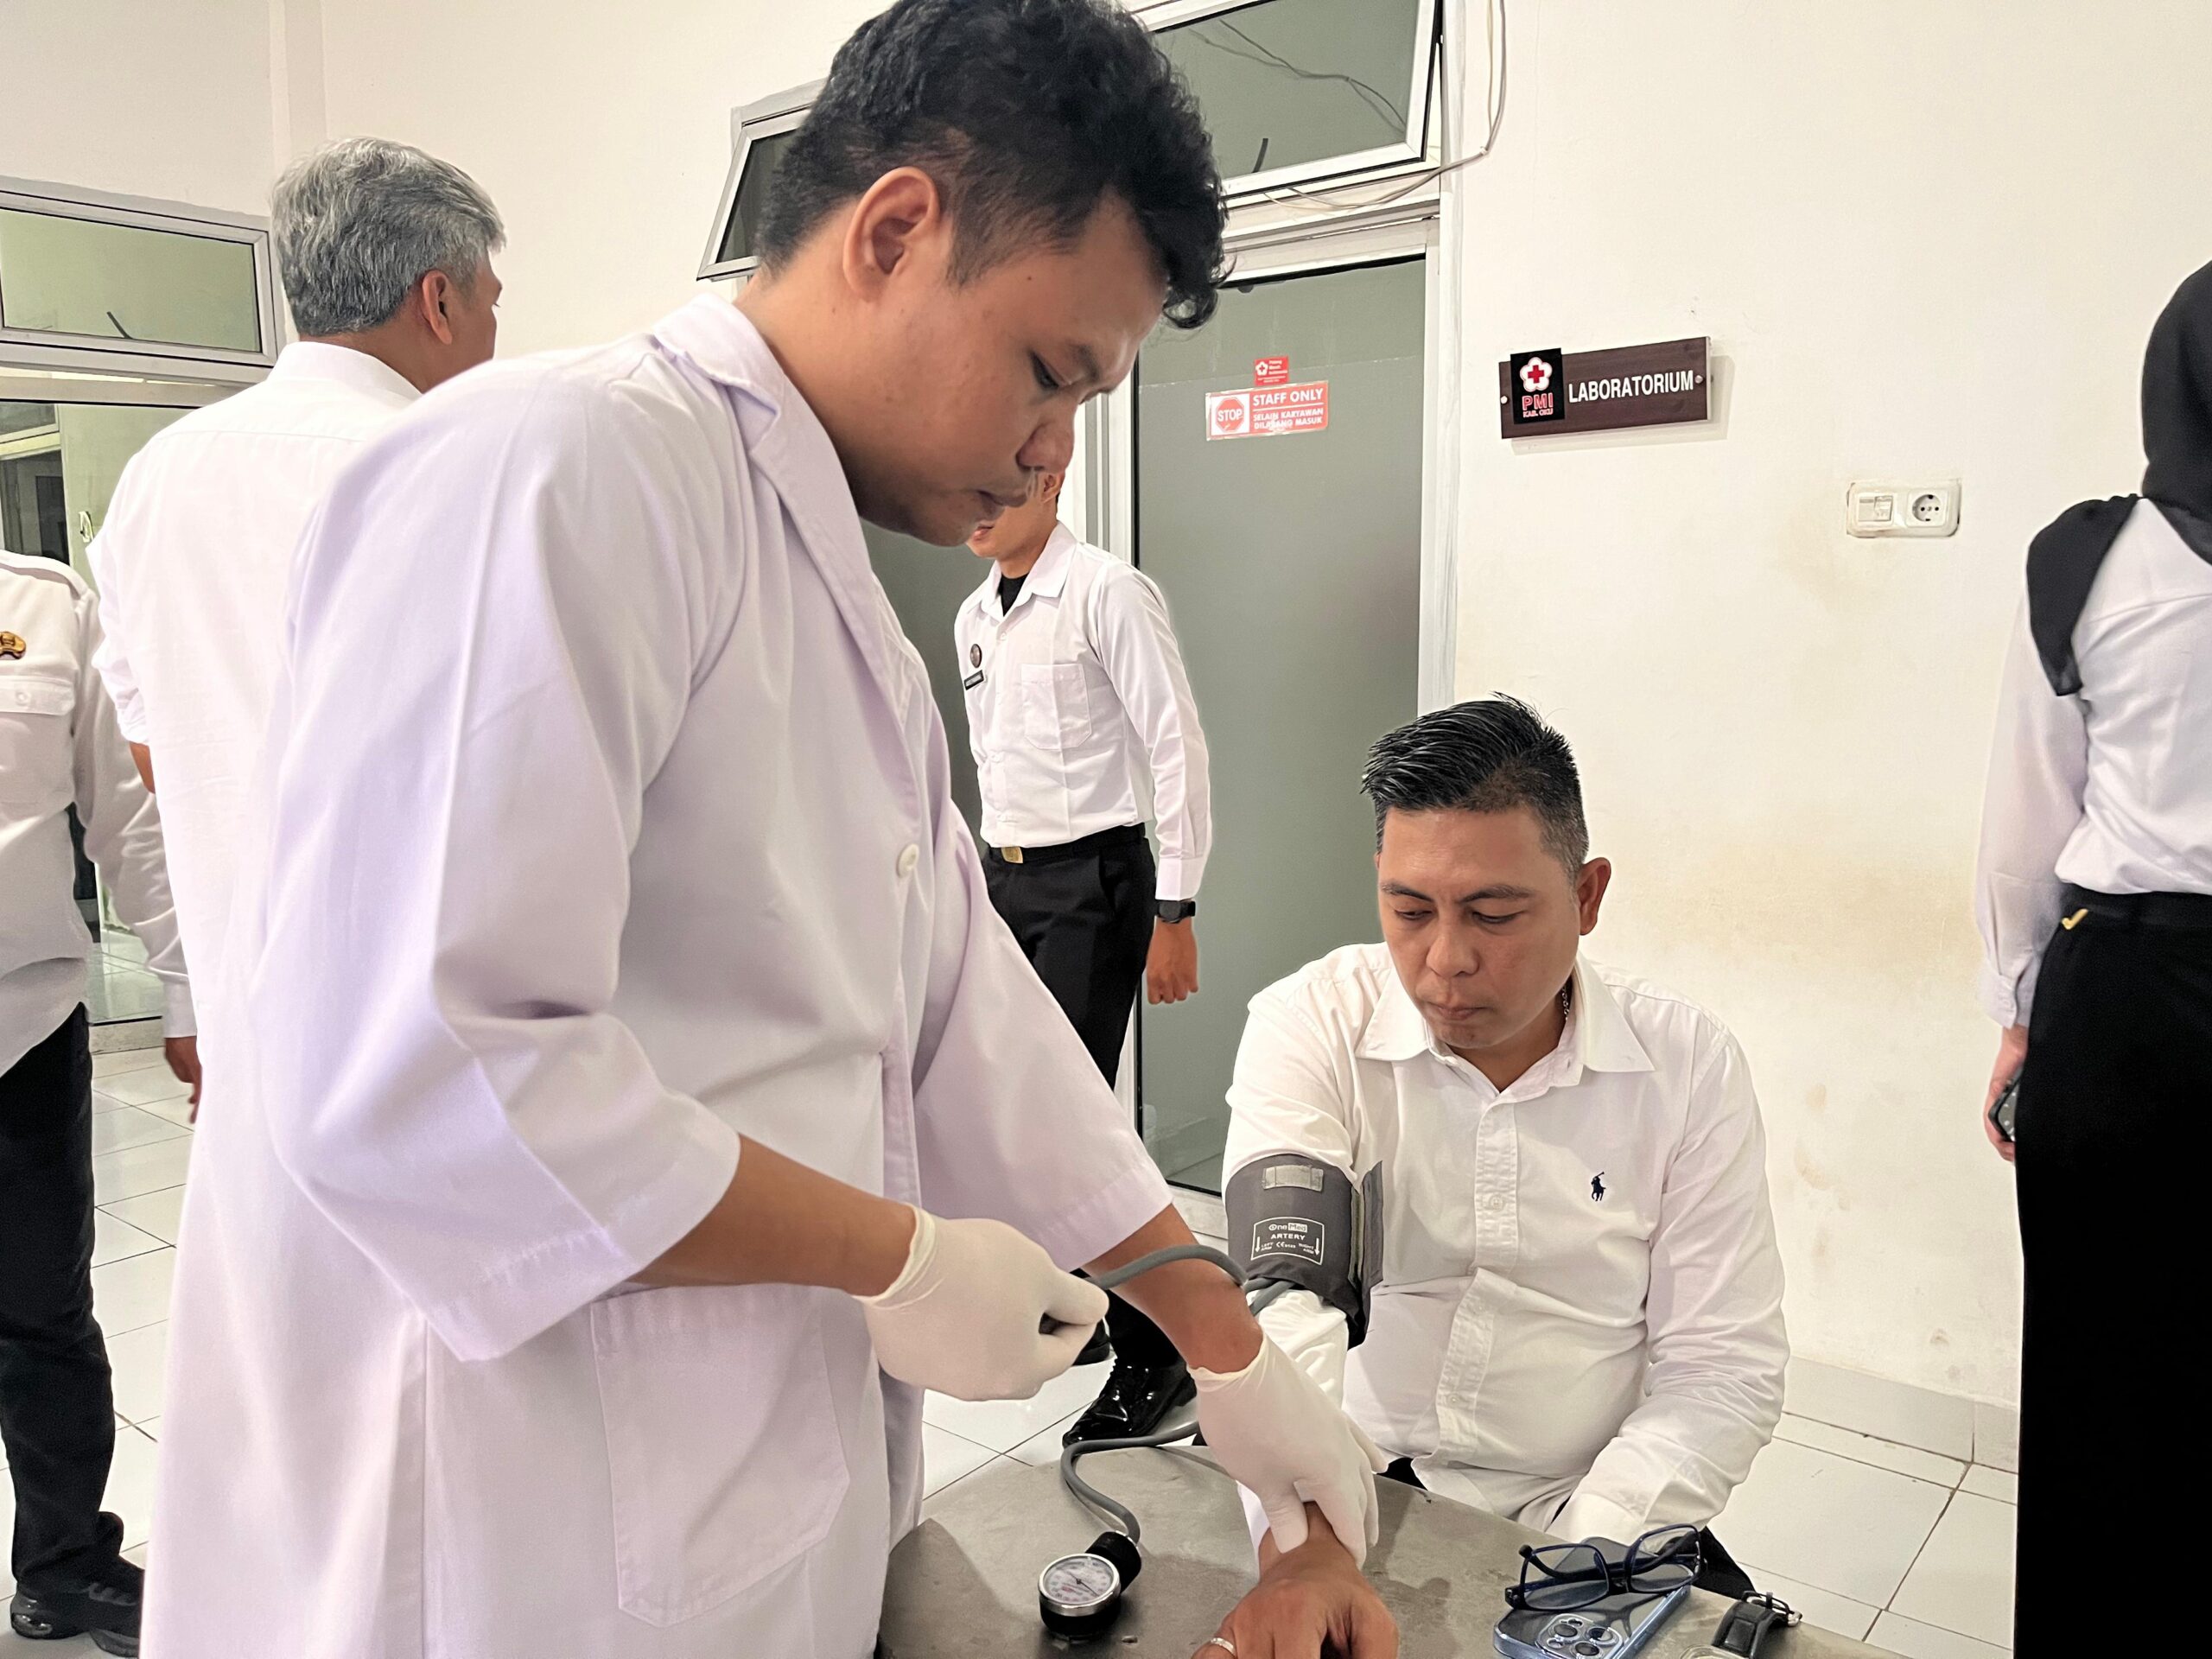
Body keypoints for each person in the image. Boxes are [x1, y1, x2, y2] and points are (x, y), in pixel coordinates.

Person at [144, 4, 1389, 1658]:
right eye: (1049, 371)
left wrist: (1216, 1330)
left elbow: (961, 1016)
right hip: (512, 1524)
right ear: (894, 232)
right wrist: (897, 1256)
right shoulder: (563, 468)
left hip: (737, 1494)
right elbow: (423, 1075)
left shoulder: (825, 582)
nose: (1052, 450)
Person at [1217, 699, 1787, 1605]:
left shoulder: (1685, 1067)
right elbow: (1285, 1303)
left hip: (1588, 1494)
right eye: (1409, 910)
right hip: (1354, 1471)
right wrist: (1311, 1534)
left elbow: (1721, 1367)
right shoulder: (1313, 1023)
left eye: (1492, 914)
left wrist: (1583, 1557)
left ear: (1587, 896)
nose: (1445, 959)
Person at [89, 136, 503, 1059]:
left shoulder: (157, 475)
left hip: (248, 1012)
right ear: (439, 301)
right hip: (428, 1027)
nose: (491, 336)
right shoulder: (451, 466)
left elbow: (149, 747)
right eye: (490, 305)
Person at [1975, 258, 2212, 1656]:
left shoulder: (2092, 564)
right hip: (2120, 989)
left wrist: (2018, 1016)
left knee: (2098, 1356)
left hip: (2118, 1001)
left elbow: (2027, 819)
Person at [957, 467, 1213, 1446]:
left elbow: (1174, 745)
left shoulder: (1106, 591)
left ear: (1053, 478)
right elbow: (993, 766)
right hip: (1006, 880)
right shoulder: (974, 617)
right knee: (1012, 1111)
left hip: (1094, 884)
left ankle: (1163, 1355)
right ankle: (1087, 1311)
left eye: (1001, 484)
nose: (979, 508)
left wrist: (1175, 907)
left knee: (1070, 1125)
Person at [0, 548, 198, 1656]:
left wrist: (187, 992)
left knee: (44, 1316)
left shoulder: (45, 605)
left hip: (20, 1032)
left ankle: (66, 1565)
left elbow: (129, 823)